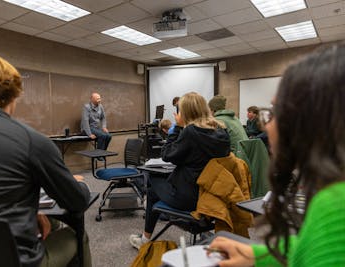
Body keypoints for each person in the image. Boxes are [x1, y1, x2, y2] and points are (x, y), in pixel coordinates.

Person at [0, 53, 92, 267]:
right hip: (13, 260)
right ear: (13, 94)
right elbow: (77, 202)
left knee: (49, 222)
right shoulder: (33, 141)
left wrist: (33, 212)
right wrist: (80, 184)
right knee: (75, 236)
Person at [208, 43, 345, 266]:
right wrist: (256, 256)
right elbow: (307, 247)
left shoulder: (335, 205)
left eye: (274, 112)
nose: (267, 124)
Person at [129, 92, 230, 249]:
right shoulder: (222, 132)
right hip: (213, 196)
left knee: (153, 182)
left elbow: (166, 155)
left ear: (186, 112)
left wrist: (177, 127)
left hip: (190, 198)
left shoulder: (190, 132)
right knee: (159, 185)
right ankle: (201, 232)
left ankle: (145, 238)